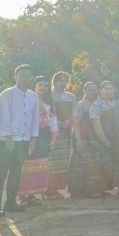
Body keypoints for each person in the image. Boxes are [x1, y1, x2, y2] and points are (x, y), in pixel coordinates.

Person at [0, 64, 40, 216]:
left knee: (16, 172)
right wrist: (8, 138)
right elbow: (3, 117)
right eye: (22, 75)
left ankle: (10, 202)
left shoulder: (33, 96)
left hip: (24, 140)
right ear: (15, 76)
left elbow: (35, 119)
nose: (25, 79)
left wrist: (33, 138)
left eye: (28, 76)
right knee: (1, 173)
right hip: (7, 141)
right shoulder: (7, 94)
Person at [17, 76, 57, 206]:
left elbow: (53, 121)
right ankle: (21, 195)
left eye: (46, 85)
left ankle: (33, 194)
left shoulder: (49, 103)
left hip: (44, 135)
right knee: (26, 165)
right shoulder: (26, 99)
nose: (43, 88)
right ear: (34, 85)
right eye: (40, 85)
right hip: (28, 135)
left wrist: (54, 138)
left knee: (39, 165)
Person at [46, 71, 75, 199]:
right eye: (60, 80)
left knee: (63, 160)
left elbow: (74, 112)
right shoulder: (49, 96)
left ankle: (57, 189)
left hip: (67, 131)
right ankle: (47, 189)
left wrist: (69, 121)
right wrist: (57, 123)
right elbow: (46, 113)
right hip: (52, 131)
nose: (63, 83)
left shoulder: (71, 97)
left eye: (65, 80)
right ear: (54, 81)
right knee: (52, 160)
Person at [89, 81, 119, 196]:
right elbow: (96, 123)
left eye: (111, 89)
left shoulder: (115, 103)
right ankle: (95, 190)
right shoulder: (96, 104)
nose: (109, 91)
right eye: (106, 89)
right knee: (98, 164)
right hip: (99, 139)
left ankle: (104, 189)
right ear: (100, 91)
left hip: (113, 138)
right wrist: (104, 140)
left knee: (108, 164)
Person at [69, 82, 98, 199]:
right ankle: (77, 191)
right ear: (84, 91)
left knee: (91, 165)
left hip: (93, 139)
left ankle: (89, 190)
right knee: (78, 166)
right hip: (82, 138)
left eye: (94, 89)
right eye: (90, 89)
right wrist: (78, 140)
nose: (92, 92)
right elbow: (75, 123)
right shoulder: (80, 105)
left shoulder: (96, 104)